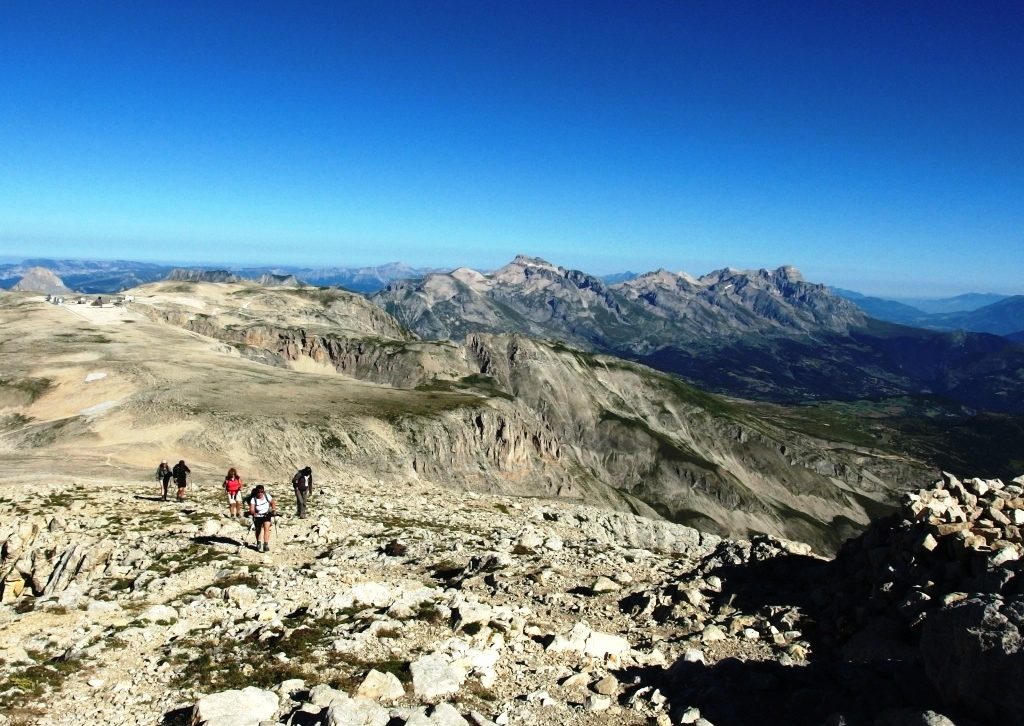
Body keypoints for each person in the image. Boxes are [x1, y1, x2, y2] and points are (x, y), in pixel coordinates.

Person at [248, 484, 276, 552]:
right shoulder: (253, 499)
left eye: (262, 492)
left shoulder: (267, 496)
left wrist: (273, 509)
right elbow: (251, 509)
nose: (260, 493)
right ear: (256, 492)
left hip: (267, 515)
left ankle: (265, 544)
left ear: (263, 492)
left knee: (267, 528)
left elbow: (272, 502)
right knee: (258, 530)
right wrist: (253, 513)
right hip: (258, 516)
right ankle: (258, 542)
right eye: (258, 492)